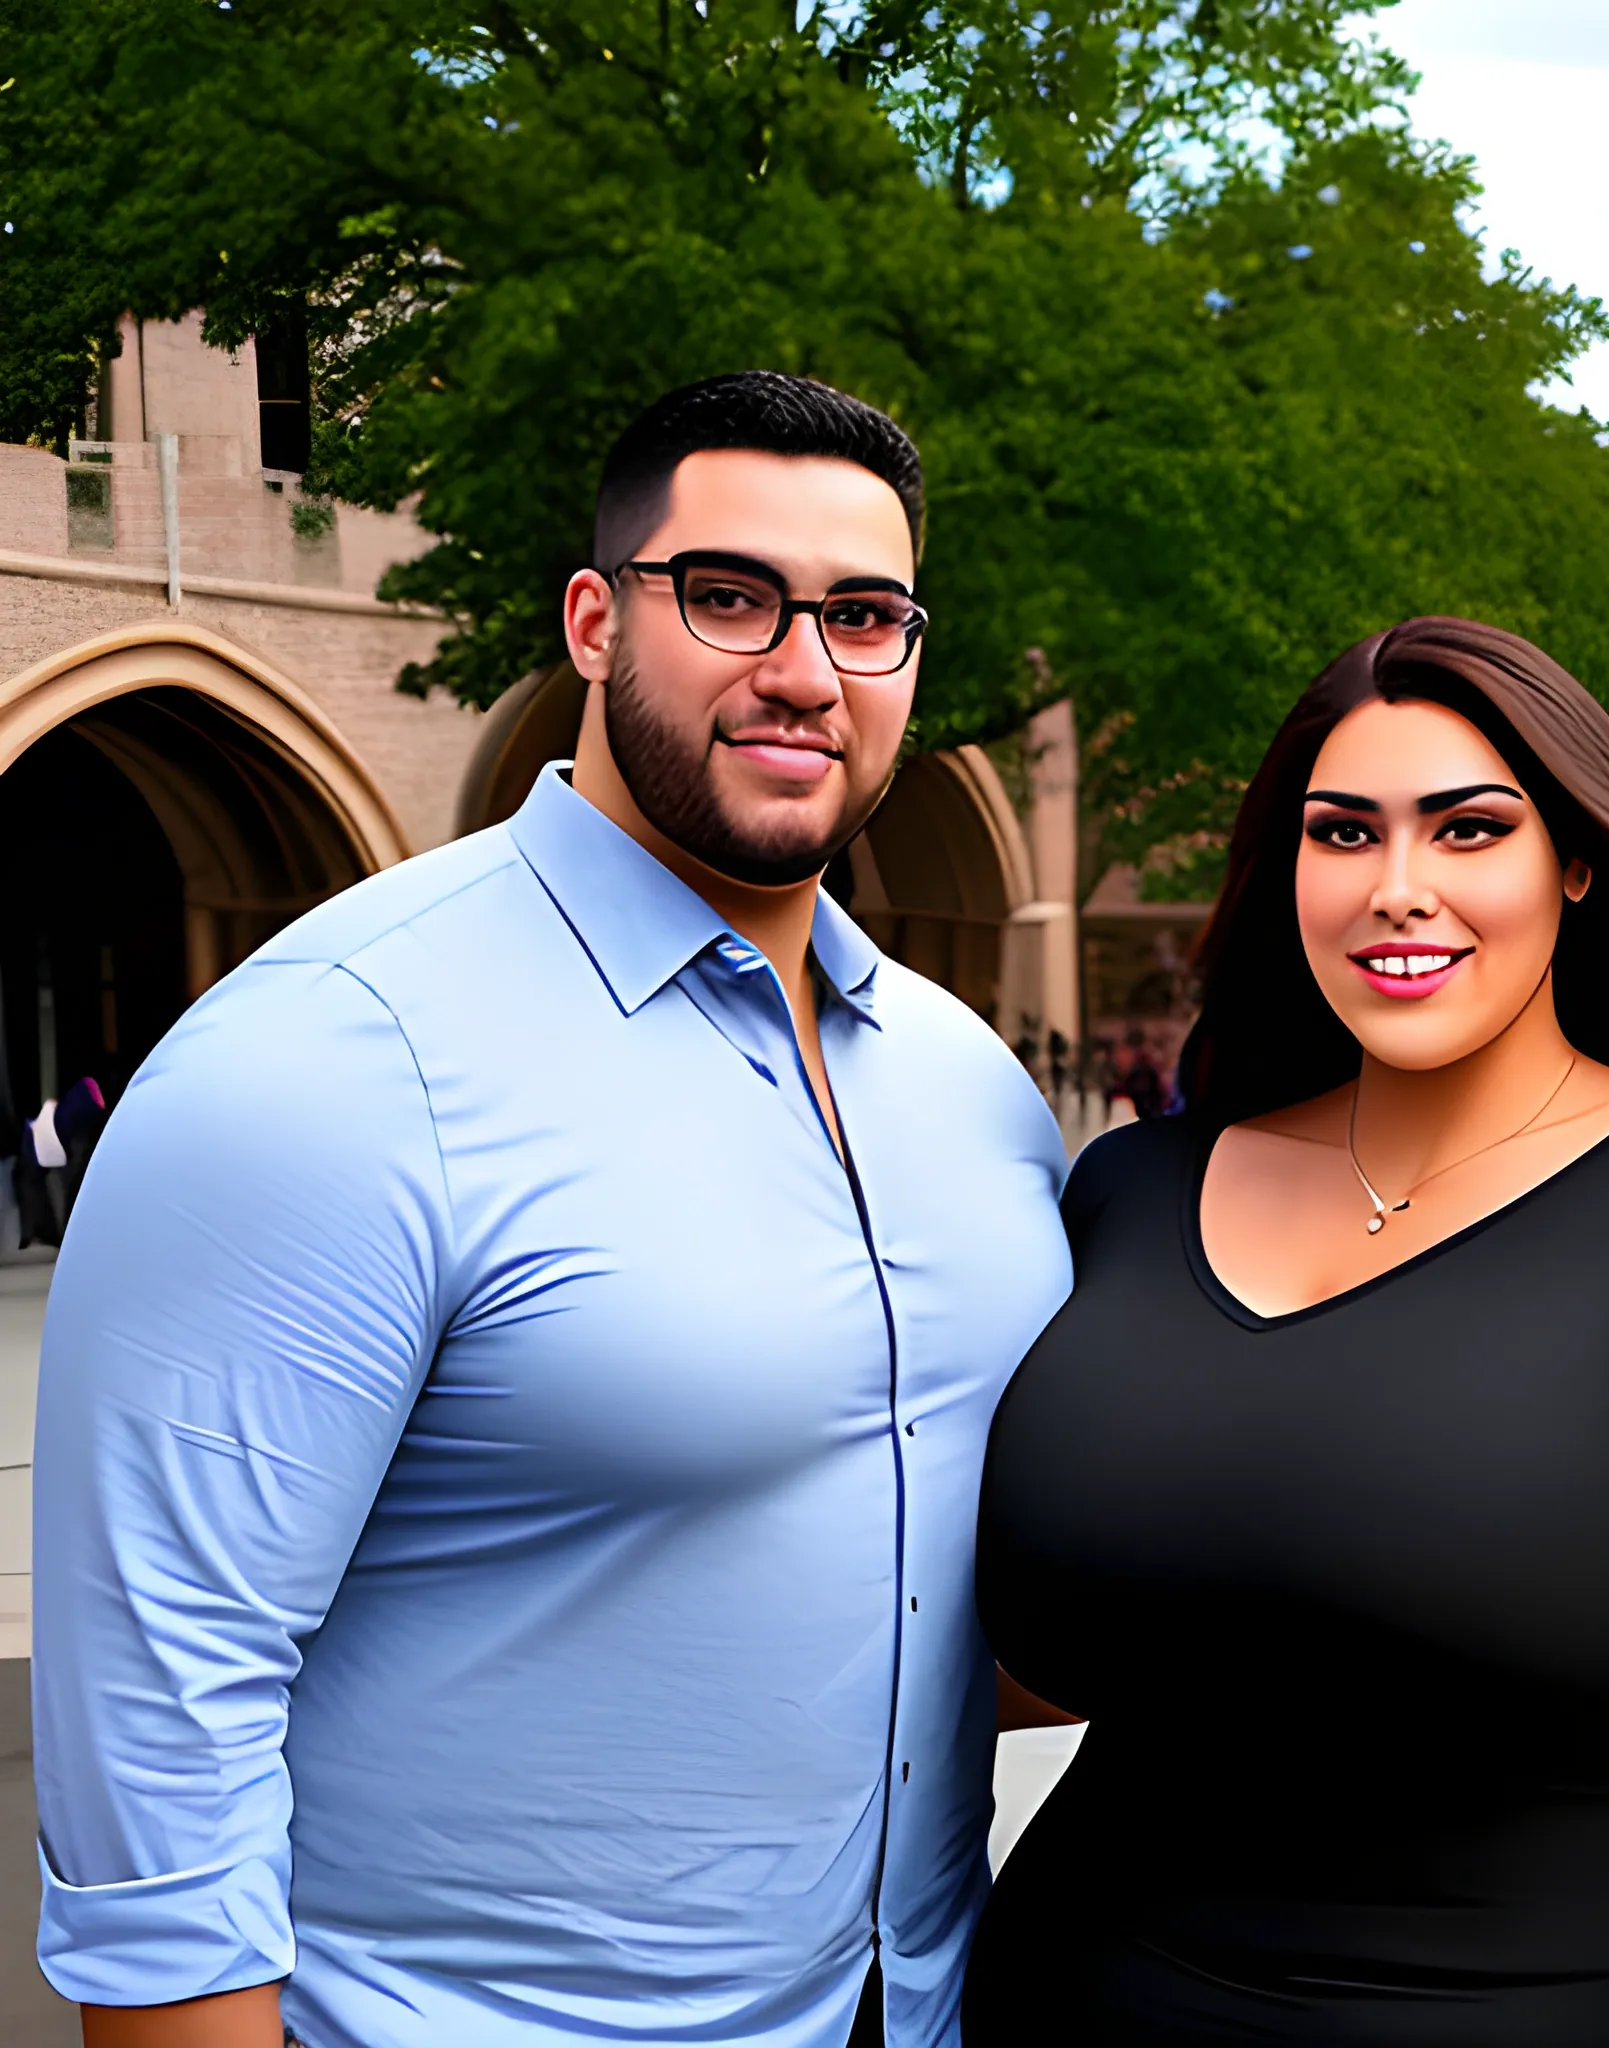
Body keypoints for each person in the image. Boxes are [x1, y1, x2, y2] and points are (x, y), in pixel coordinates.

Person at [33, 373, 1073, 2048]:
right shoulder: (330, 1057)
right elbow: (165, 1718)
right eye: (729, 597)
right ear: (594, 620)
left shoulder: (973, 1098)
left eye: (863, 616)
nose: (802, 671)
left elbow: (945, 1607)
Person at [969, 619, 1609, 2047]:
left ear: (1573, 859)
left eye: (1468, 830)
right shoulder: (1132, 1194)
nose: (1398, 889)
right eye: (1344, 834)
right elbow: (1022, 1642)